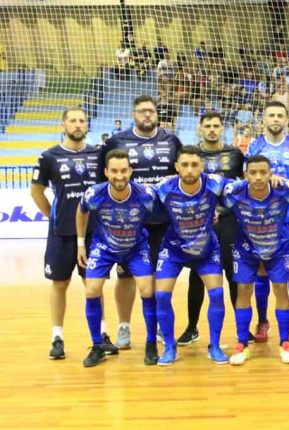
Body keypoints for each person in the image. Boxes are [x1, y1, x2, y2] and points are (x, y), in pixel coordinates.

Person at [30, 107, 114, 359]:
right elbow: (36, 192)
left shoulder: (99, 156)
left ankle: (101, 334)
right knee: (59, 283)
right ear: (63, 125)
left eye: (82, 121)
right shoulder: (49, 157)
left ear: (87, 126)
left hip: (94, 233)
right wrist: (54, 217)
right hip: (61, 233)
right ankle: (57, 337)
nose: (78, 125)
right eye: (73, 121)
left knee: (94, 284)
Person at [102, 95, 183, 349]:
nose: (147, 115)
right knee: (125, 277)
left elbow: (183, 176)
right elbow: (104, 180)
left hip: (163, 221)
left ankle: (160, 324)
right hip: (129, 224)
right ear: (133, 114)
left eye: (151, 111)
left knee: (160, 275)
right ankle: (124, 326)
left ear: (157, 113)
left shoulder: (171, 141)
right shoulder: (117, 141)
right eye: (142, 111)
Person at [75, 149, 159, 367]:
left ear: (131, 171)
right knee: (91, 290)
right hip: (104, 247)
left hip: (136, 247)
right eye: (114, 171)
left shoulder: (146, 194)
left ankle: (151, 344)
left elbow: (166, 210)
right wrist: (80, 243)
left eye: (123, 171)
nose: (119, 176)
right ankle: (97, 346)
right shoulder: (94, 193)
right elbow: (81, 210)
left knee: (147, 290)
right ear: (106, 172)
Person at [222, 155, 289, 365]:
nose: (258, 177)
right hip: (246, 249)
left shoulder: (284, 190)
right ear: (245, 175)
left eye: (263, 172)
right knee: (243, 290)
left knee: (280, 288)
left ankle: (285, 342)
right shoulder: (234, 193)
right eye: (253, 173)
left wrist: (285, 180)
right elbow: (215, 193)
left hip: (278, 247)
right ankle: (242, 343)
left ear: (271, 173)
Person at [152, 145, 228, 366]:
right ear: (176, 167)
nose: (189, 170)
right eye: (184, 165)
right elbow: (135, 195)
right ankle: (169, 347)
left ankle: (214, 345)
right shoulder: (164, 187)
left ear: (202, 166)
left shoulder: (215, 183)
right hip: (174, 249)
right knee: (162, 296)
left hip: (206, 249)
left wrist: (273, 179)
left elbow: (246, 187)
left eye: (194, 165)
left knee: (216, 294)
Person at [178, 112, 245, 345]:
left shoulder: (235, 154)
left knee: (233, 274)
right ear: (200, 128)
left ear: (222, 128)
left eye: (217, 125)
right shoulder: (191, 155)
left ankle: (242, 329)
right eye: (208, 126)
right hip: (199, 224)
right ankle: (191, 328)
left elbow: (243, 188)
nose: (212, 130)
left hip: (228, 223)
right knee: (197, 276)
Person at [245, 101, 289, 343]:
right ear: (263, 119)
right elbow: (248, 176)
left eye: (279, 115)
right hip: (262, 220)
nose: (275, 119)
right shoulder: (255, 146)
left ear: (286, 119)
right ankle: (262, 320)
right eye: (271, 115)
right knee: (261, 269)